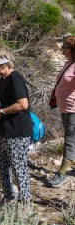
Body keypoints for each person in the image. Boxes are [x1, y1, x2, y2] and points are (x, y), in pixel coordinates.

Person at [0, 46, 32, 205]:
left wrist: (2, 112)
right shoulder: (2, 81)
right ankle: (9, 197)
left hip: (17, 130)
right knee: (0, 161)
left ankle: (25, 204)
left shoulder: (15, 78)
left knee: (19, 168)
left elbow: (23, 104)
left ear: (6, 62)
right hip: (4, 131)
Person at [49, 35, 75, 188]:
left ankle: (62, 173)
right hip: (66, 107)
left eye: (66, 47)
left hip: (73, 108)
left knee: (70, 139)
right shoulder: (69, 63)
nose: (63, 49)